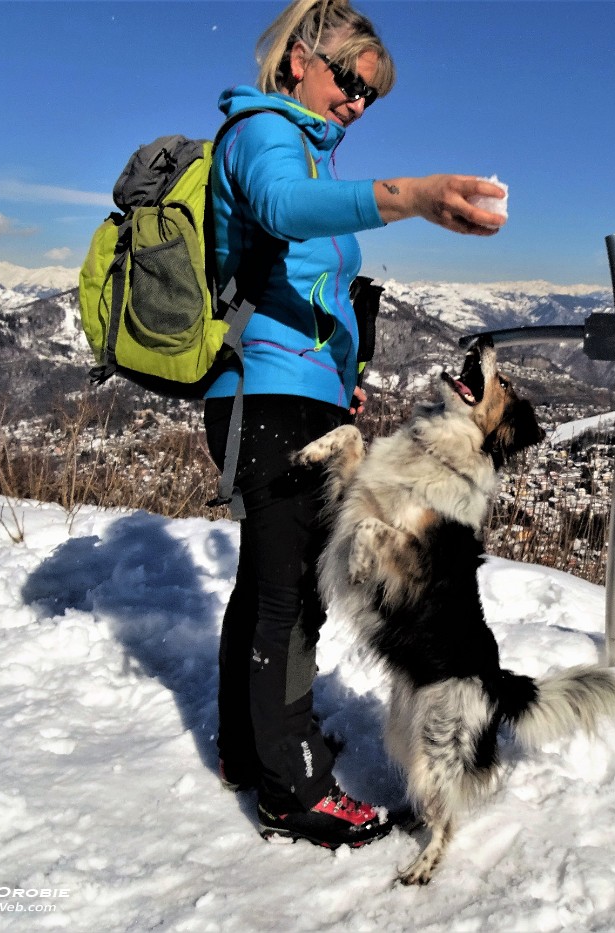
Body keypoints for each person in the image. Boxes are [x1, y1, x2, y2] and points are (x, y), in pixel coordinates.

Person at [202, 0, 507, 849]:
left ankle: (249, 749)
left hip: (288, 394)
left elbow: (300, 275)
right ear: (300, 58)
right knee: (288, 598)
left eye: (372, 95)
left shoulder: (297, 142)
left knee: (271, 588)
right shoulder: (263, 133)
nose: (358, 103)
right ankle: (291, 786)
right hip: (264, 399)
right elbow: (284, 208)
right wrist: (409, 196)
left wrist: (341, 378)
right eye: (350, 80)